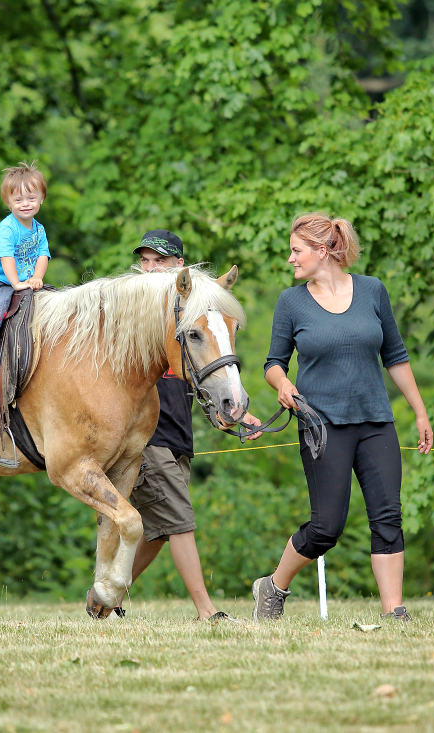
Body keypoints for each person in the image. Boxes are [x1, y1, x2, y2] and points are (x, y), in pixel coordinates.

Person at [251, 213, 433, 622]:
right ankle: (273, 586)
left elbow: (396, 356)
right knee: (326, 527)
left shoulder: (373, 291)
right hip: (322, 426)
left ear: (322, 250)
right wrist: (282, 383)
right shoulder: (291, 302)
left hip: (375, 422)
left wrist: (420, 412)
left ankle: (394, 611)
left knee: (387, 517)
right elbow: (273, 362)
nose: (290, 259)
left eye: (296, 251)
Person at [126, 230, 261, 623]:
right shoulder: (134, 318)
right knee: (180, 521)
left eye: (160, 261)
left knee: (159, 530)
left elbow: (204, 376)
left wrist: (231, 412)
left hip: (177, 433)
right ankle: (206, 610)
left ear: (180, 266)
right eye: (145, 260)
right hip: (146, 436)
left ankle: (105, 595)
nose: (151, 268)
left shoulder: (189, 319)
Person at [0, 161, 51, 391]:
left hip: (18, 282)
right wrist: (17, 283)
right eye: (19, 200)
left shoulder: (39, 229)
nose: (26, 204)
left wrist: (37, 278)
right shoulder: (7, 229)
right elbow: (7, 259)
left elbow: (43, 255)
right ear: (8, 202)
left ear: (42, 198)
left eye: (31, 198)